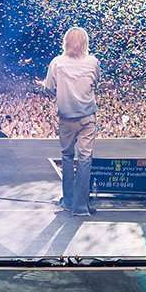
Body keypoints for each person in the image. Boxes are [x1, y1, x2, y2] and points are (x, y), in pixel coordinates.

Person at [36, 26, 100, 216]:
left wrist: (54, 86)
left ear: (66, 43)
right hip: (87, 117)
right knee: (85, 159)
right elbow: (95, 82)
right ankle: (81, 206)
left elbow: (49, 88)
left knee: (67, 157)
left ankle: (68, 201)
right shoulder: (93, 62)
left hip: (66, 118)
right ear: (85, 43)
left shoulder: (57, 63)